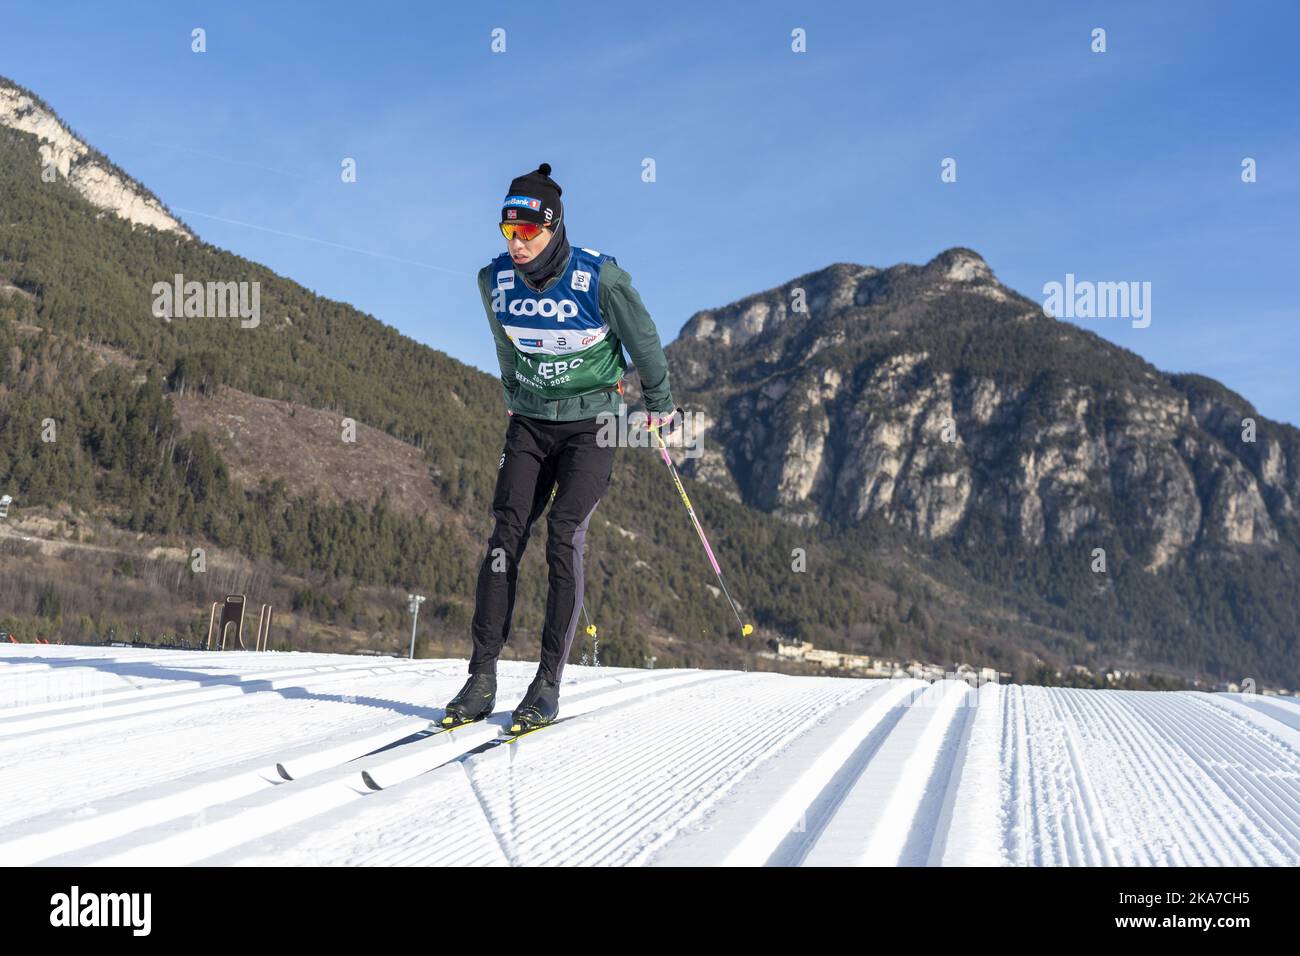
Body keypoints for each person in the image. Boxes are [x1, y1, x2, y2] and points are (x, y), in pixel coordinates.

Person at [442, 163, 680, 733]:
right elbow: (503, 343)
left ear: (553, 228)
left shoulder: (601, 279)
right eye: (508, 233)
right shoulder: (493, 281)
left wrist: (660, 400)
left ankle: (547, 683)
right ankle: (481, 677)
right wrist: (510, 392)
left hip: (591, 423)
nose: (516, 244)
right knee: (505, 535)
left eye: (528, 233)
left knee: (563, 532)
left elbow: (643, 339)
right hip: (528, 420)